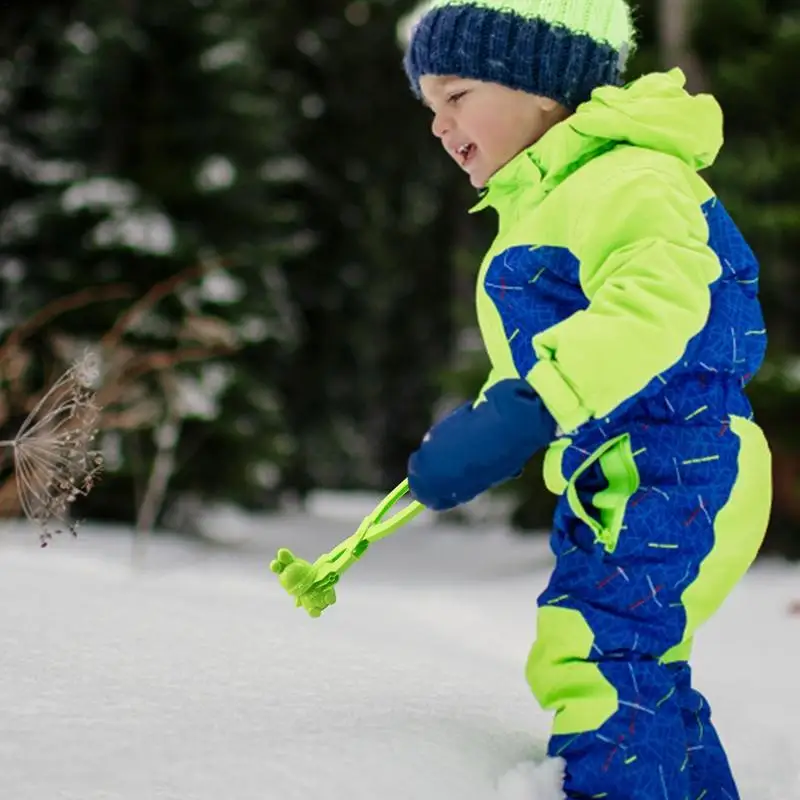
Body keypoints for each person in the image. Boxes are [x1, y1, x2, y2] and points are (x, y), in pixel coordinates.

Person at [402, 1, 773, 798]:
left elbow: (664, 298)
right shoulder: (550, 200)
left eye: (457, 94)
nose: (438, 124)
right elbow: (556, 349)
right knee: (639, 664)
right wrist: (489, 423)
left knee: (594, 652)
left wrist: (533, 404)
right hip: (635, 470)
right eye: (429, 106)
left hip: (681, 458)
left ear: (539, 83)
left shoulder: (630, 177)